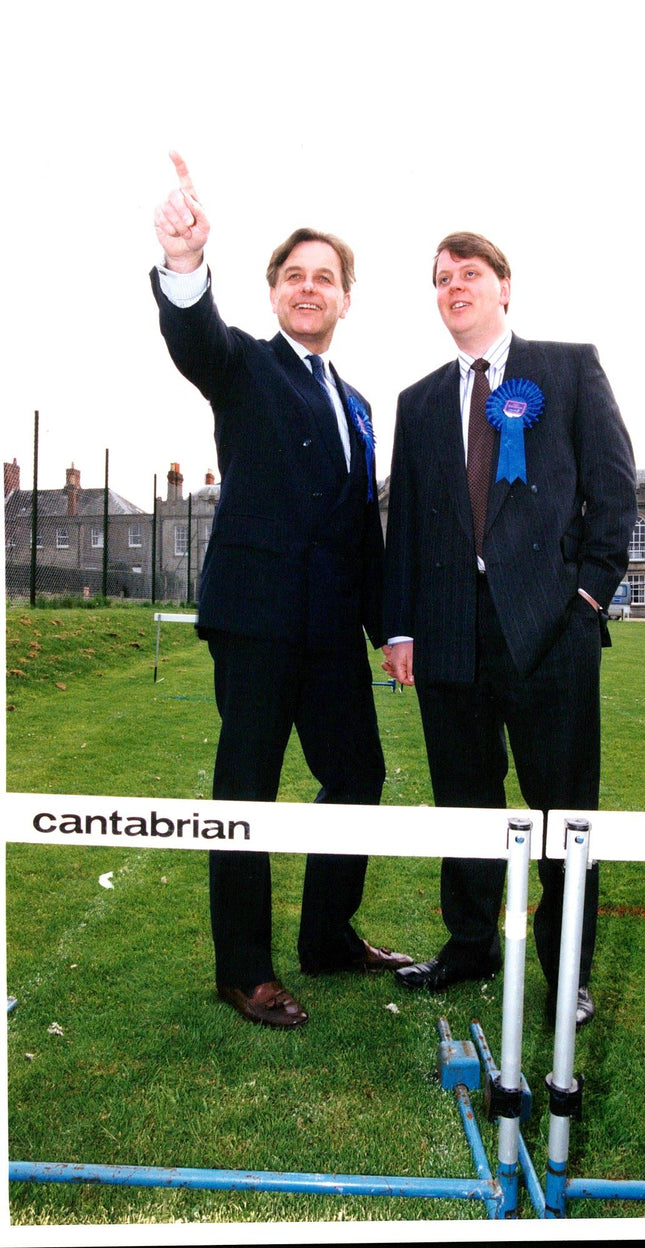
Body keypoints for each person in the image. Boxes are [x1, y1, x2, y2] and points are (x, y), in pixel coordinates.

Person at [151, 151, 411, 1030]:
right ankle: (245, 970)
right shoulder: (246, 368)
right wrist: (185, 265)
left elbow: (359, 532)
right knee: (246, 794)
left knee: (359, 774)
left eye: (325, 278)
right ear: (272, 294)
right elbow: (197, 339)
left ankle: (328, 936)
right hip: (256, 623)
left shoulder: (361, 404)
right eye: (294, 276)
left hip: (333, 630)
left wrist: (393, 630)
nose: (309, 289)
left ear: (346, 298)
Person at [382, 231, 637, 1028]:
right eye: (441, 279)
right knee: (464, 800)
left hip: (551, 634)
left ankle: (568, 974)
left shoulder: (567, 368)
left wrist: (588, 600)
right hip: (450, 634)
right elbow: (410, 531)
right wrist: (400, 630)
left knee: (563, 810)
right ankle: (468, 946)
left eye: (470, 274)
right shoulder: (418, 402)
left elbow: (614, 491)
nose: (454, 286)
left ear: (503, 286)